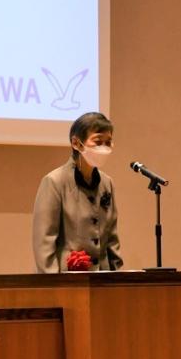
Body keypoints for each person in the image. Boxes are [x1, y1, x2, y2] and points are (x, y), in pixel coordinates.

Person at [32, 112, 124, 273]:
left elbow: (112, 239)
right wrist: (53, 284)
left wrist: (118, 279)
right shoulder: (54, 181)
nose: (104, 147)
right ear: (76, 143)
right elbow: (44, 242)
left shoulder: (106, 183)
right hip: (68, 279)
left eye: (108, 142)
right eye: (98, 142)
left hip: (103, 280)